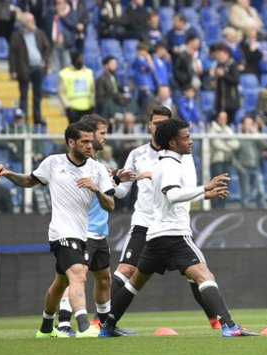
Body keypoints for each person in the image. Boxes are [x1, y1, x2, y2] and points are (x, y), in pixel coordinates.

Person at [98, 118, 258, 338]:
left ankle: (107, 327)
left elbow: (170, 197)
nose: (190, 141)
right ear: (173, 143)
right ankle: (229, 326)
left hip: (155, 235)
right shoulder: (171, 165)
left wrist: (204, 194)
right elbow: (172, 195)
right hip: (174, 234)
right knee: (204, 276)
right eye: (186, 137)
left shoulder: (163, 163)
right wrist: (204, 187)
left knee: (134, 283)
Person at [0, 120, 117, 337]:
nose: (90, 145)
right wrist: (8, 173)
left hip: (82, 233)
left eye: (91, 141)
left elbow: (111, 205)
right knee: (78, 275)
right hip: (61, 232)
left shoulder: (97, 169)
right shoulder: (53, 162)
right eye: (84, 141)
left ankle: (46, 328)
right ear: (71, 142)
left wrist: (97, 190)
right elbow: (29, 181)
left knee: (60, 283)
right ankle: (84, 326)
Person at [56, 116, 136, 336]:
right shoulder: (81, 165)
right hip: (84, 231)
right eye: (102, 133)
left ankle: (104, 324)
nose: (104, 137)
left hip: (99, 231)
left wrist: (115, 179)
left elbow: (106, 191)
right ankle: (63, 324)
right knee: (76, 277)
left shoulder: (97, 166)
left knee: (104, 278)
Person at [9, 12, 51, 125]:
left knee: (37, 95)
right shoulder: (17, 36)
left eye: (33, 20)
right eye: (29, 21)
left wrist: (44, 60)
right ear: (24, 23)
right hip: (23, 68)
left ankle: (37, 118)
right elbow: (12, 54)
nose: (32, 23)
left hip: (38, 67)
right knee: (24, 95)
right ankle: (24, 119)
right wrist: (13, 70)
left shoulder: (39, 33)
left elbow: (47, 47)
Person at [57, 54, 96, 123]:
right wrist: (68, 107)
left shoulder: (89, 72)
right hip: (72, 109)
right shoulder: (65, 73)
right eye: (80, 58)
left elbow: (93, 90)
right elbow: (61, 92)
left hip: (88, 108)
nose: (82, 60)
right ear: (73, 60)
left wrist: (92, 104)